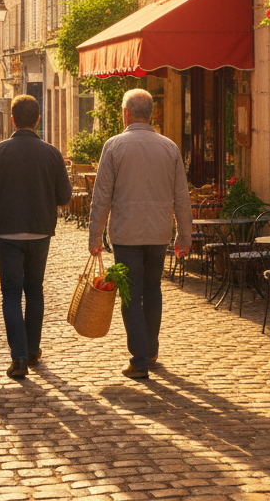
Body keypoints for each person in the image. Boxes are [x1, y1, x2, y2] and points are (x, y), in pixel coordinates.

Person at [88, 89, 192, 380]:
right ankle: (152, 349)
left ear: (127, 114)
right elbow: (182, 197)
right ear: (151, 114)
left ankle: (140, 358)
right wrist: (184, 235)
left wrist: (95, 237)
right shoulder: (170, 147)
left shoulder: (114, 146)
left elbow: (101, 198)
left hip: (127, 235)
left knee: (131, 295)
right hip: (159, 233)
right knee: (152, 290)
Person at [0, 95, 71, 379]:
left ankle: (19, 358)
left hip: (7, 233)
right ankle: (34, 348)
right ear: (38, 120)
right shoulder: (51, 153)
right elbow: (64, 196)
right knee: (35, 289)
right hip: (40, 231)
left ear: (12, 120)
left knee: (12, 293)